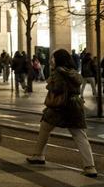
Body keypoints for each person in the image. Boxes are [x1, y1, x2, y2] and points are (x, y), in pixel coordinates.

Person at [26, 49, 97, 177]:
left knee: (45, 127)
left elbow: (58, 88)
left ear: (59, 59)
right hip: (75, 106)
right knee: (79, 135)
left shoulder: (58, 72)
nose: (51, 60)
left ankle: (38, 155)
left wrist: (49, 84)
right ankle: (90, 167)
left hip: (59, 106)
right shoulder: (73, 72)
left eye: (53, 58)